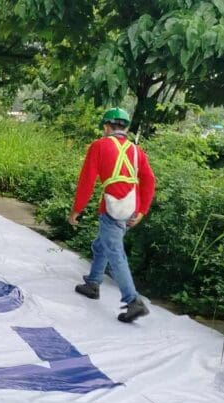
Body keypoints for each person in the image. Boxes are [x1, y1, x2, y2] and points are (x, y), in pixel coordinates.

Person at [68, 108, 156, 323]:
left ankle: (133, 300)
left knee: (115, 252)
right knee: (103, 245)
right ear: (125, 128)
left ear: (106, 127)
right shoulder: (137, 151)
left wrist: (76, 210)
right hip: (130, 208)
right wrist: (142, 210)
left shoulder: (99, 145)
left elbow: (86, 181)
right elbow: (149, 180)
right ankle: (93, 283)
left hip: (113, 208)